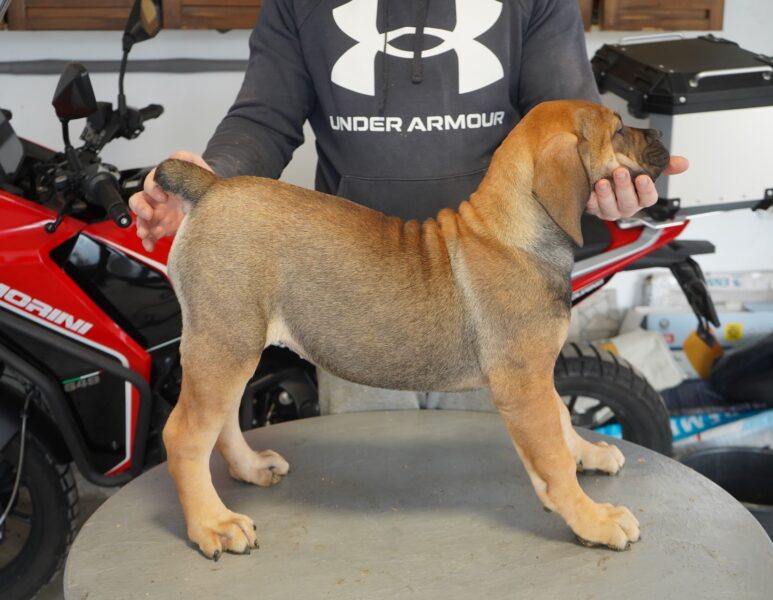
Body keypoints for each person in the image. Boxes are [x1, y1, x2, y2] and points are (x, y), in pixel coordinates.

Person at [130, 0, 687, 412]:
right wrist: (213, 183)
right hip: (355, 286)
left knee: (486, 489)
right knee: (368, 489)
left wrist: (607, 185)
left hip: (498, 291)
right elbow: (264, 120)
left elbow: (566, 119)